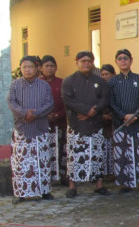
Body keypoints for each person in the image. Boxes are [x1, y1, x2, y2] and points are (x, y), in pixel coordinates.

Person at [61, 50, 111, 197]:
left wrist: (94, 110)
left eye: (89, 61)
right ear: (77, 62)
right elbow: (67, 99)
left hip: (95, 124)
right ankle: (72, 186)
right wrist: (84, 110)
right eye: (83, 61)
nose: (86, 63)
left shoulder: (99, 81)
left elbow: (105, 98)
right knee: (73, 156)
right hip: (76, 124)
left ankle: (99, 185)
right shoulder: (69, 81)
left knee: (97, 155)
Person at [8, 56, 55, 204]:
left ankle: (44, 191)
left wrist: (35, 114)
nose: (27, 69)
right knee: (21, 162)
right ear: (21, 69)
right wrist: (25, 113)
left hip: (39, 128)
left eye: (30, 67)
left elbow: (49, 104)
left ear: (36, 69)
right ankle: (21, 193)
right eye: (24, 67)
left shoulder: (44, 85)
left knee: (41, 161)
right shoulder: (15, 85)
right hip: (22, 128)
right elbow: (11, 102)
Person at [108, 49, 139, 194]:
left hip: (137, 123)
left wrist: (136, 115)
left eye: (125, 58)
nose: (123, 61)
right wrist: (124, 116)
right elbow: (111, 102)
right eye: (119, 58)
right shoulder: (112, 81)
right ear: (116, 62)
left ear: (131, 60)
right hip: (120, 124)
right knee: (122, 154)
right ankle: (124, 183)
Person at [40, 55, 67, 185]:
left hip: (60, 123)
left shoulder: (62, 83)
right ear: (41, 68)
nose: (50, 68)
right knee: (46, 152)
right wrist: (45, 116)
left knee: (62, 151)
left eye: (52, 66)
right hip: (43, 125)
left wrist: (58, 115)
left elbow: (68, 103)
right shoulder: (38, 83)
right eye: (47, 66)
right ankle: (46, 178)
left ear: (56, 68)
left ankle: (63, 177)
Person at [100, 64, 117, 178]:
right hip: (101, 122)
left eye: (107, 74)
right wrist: (102, 115)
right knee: (104, 147)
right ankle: (104, 173)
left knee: (113, 147)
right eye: (103, 74)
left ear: (113, 75)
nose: (104, 77)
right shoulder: (99, 88)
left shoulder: (117, 86)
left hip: (116, 120)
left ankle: (113, 173)